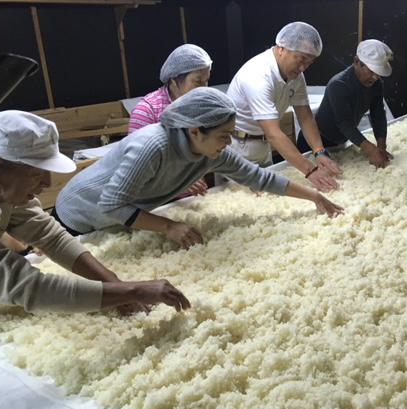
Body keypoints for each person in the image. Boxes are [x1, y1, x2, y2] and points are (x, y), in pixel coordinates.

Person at [0, 110, 191, 313]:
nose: (48, 183)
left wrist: (113, 284)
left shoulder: (3, 185)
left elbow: (51, 237)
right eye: (37, 174)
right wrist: (132, 291)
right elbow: (28, 287)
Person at [53, 88, 344, 248]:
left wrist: (314, 197)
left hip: (114, 218)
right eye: (223, 135)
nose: (228, 142)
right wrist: (169, 227)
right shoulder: (151, 147)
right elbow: (110, 204)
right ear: (194, 131)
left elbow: (258, 177)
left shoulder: (212, 152)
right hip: (76, 216)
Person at [227, 22, 342, 192]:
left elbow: (305, 116)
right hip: (239, 148)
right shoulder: (258, 75)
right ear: (282, 49)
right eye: (301, 59)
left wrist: (319, 152)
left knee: (268, 195)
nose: (303, 68)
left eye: (309, 63)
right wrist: (310, 170)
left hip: (263, 145)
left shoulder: (296, 76)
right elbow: (273, 133)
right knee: (243, 202)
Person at [130, 43, 213, 196]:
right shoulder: (147, 110)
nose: (204, 88)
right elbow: (135, 168)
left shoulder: (202, 106)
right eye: (198, 81)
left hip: (192, 199)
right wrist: (180, 183)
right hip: (157, 202)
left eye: (206, 81)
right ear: (174, 80)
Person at [297, 39, 394, 168]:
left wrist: (381, 147)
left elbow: (378, 114)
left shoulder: (376, 84)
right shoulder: (339, 85)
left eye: (378, 73)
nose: (375, 77)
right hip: (315, 142)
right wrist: (371, 150)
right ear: (357, 61)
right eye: (371, 71)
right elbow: (345, 123)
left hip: (340, 142)